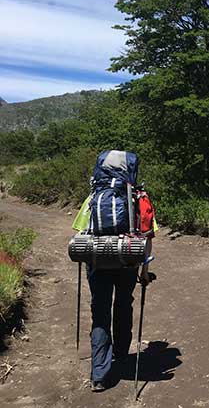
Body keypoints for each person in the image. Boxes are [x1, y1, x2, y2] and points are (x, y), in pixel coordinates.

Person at [71, 150, 156, 391]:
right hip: (127, 260)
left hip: (97, 261)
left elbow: (80, 230)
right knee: (122, 305)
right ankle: (121, 355)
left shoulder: (94, 195)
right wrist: (144, 271)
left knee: (100, 311)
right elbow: (147, 237)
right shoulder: (139, 197)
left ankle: (99, 374)